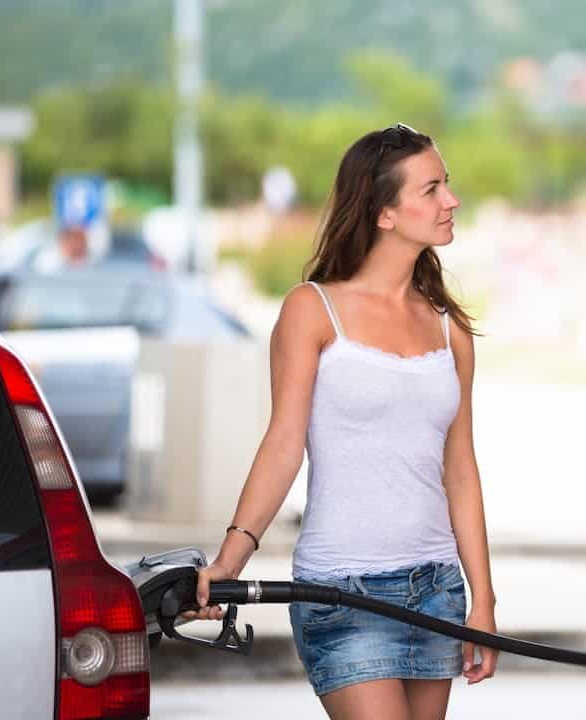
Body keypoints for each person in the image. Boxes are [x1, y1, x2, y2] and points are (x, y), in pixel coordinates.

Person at [187, 122, 499, 719]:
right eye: (431, 189)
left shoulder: (448, 328)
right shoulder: (313, 310)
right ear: (384, 213)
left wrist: (481, 599)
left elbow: (460, 467)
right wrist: (230, 561)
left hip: (436, 590)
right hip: (341, 592)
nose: (451, 201)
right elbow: (284, 444)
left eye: (447, 186)